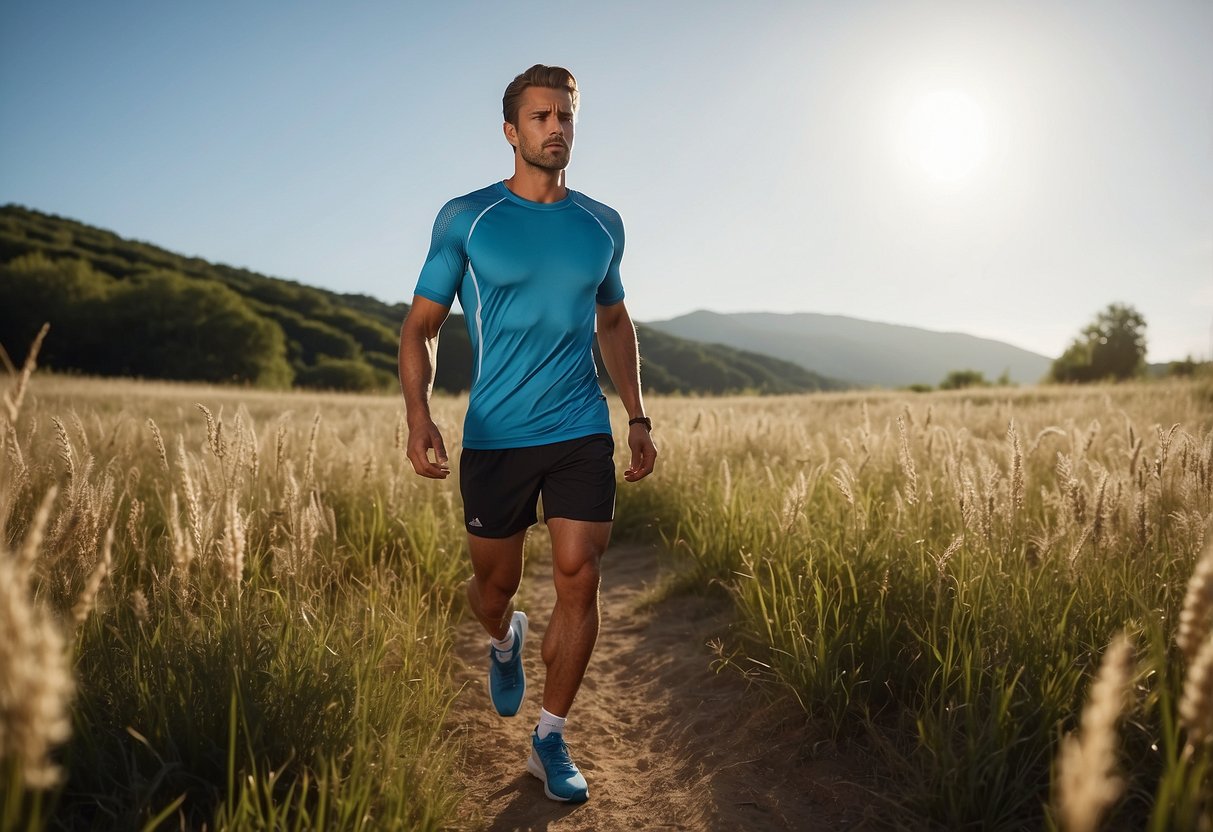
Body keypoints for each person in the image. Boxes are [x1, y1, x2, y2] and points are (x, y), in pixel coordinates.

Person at [398, 64, 657, 804]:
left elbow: (612, 319)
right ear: (511, 131)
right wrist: (420, 416)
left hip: (579, 428)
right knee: (494, 586)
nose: (556, 129)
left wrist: (635, 414)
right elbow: (421, 327)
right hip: (495, 435)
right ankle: (503, 638)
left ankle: (549, 737)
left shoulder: (601, 223)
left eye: (566, 117)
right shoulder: (467, 218)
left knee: (580, 572)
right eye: (541, 117)